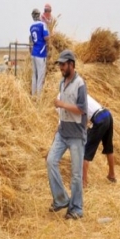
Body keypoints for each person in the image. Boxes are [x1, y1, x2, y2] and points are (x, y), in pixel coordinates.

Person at [46, 49, 88, 220]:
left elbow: (82, 110)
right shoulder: (62, 83)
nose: (61, 68)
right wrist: (58, 128)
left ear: (71, 64)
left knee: (76, 174)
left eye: (63, 64)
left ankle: (76, 209)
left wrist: (62, 104)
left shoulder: (80, 84)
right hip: (62, 133)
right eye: (60, 65)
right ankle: (61, 199)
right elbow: (63, 111)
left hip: (76, 135)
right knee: (50, 161)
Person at [83, 95, 116, 187]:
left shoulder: (77, 99)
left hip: (99, 118)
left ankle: (83, 183)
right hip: (107, 114)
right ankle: (112, 175)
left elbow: (83, 120)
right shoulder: (85, 95)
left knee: (85, 151)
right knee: (108, 147)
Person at [30, 8, 49, 96]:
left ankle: (33, 96)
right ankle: (38, 99)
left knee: (34, 76)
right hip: (41, 53)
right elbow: (46, 37)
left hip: (33, 52)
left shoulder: (31, 27)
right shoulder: (42, 24)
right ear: (38, 15)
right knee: (40, 77)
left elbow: (32, 39)